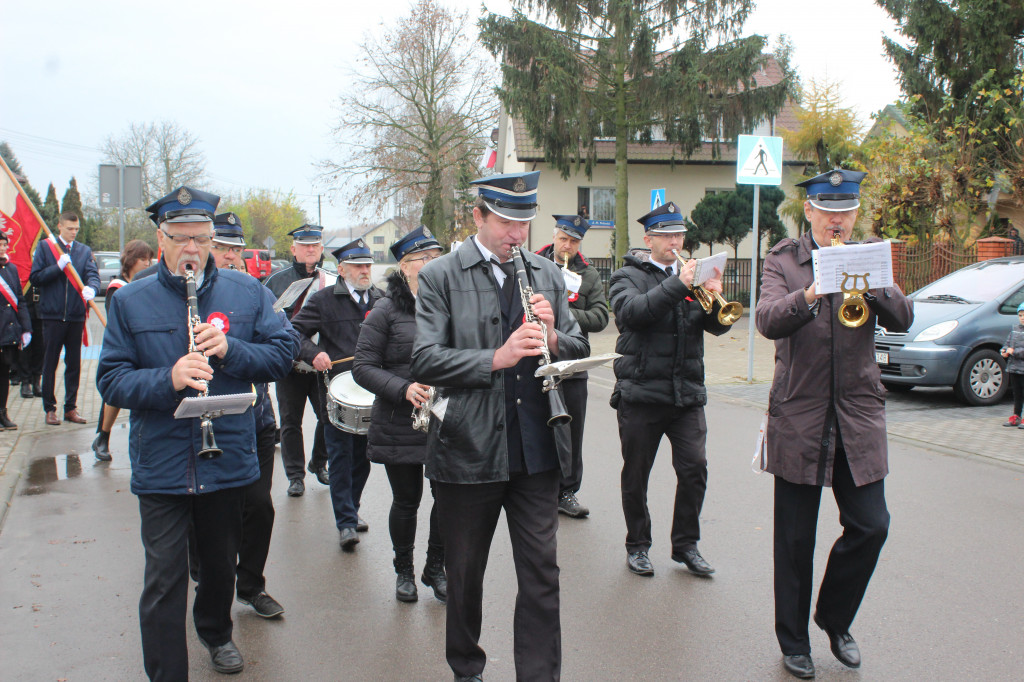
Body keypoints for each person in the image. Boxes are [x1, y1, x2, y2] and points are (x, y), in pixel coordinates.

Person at [97, 187, 294, 680]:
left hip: (225, 456)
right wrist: (169, 378)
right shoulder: (131, 300)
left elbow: (281, 355)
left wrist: (231, 350)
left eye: (201, 239)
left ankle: (216, 632)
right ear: (160, 239)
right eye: (181, 238)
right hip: (162, 463)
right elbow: (111, 380)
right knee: (163, 581)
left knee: (218, 562)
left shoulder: (246, 292)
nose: (192, 249)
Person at [411, 171, 589, 681]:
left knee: (541, 574)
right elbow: (424, 358)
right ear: (479, 217)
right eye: (507, 223)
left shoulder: (547, 273)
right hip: (468, 449)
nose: (517, 235)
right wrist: (496, 357)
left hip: (536, 451)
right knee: (465, 575)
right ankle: (467, 668)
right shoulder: (441, 274)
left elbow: (576, 350)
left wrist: (554, 335)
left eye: (525, 223)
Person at [755, 169, 913, 679]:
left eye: (846, 210)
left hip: (858, 415)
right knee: (795, 540)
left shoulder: (870, 256)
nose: (838, 220)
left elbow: (904, 317)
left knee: (872, 525)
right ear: (810, 212)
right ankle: (794, 642)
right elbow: (766, 319)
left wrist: (873, 288)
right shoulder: (783, 260)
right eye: (829, 210)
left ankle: (834, 618)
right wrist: (812, 293)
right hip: (800, 414)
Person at [609, 200, 729, 579]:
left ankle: (686, 545)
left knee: (695, 468)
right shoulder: (626, 276)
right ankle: (638, 545)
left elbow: (719, 327)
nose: (675, 241)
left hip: (686, 393)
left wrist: (714, 296)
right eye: (666, 235)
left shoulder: (692, 277)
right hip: (641, 393)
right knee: (637, 473)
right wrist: (679, 285)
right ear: (649, 239)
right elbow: (632, 316)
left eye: (679, 234)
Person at [353, 226, 446, 603]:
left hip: (445, 417)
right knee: (407, 501)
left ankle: (435, 568)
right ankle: (403, 570)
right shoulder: (385, 310)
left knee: (448, 500)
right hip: (400, 421)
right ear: (404, 267)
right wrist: (403, 388)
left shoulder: (452, 304)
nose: (430, 265)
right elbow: (363, 366)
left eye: (436, 258)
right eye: (422, 260)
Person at [291, 238, 382, 549]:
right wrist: (313, 353)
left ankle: (352, 510)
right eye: (358, 265)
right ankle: (345, 522)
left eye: (368, 265)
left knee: (363, 458)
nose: (364, 270)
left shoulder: (382, 300)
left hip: (372, 392)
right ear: (342, 269)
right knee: (341, 456)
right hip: (335, 391)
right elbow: (295, 332)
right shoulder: (324, 300)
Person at [535, 214, 609, 518]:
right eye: (563, 239)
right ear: (555, 236)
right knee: (537, 425)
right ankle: (536, 489)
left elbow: (601, 317)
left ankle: (567, 491)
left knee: (572, 429)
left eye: (574, 241)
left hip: (573, 360)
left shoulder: (588, 274)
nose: (567, 246)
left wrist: (564, 313)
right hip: (536, 357)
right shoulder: (535, 263)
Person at [264, 224, 330, 496]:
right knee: (291, 422)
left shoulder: (331, 280)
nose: (310, 249)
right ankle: (295, 476)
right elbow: (267, 322)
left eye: (314, 245)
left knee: (328, 419)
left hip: (321, 364)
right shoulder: (276, 281)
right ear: (294, 249)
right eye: (304, 245)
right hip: (289, 366)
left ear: (322, 248)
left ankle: (319, 462)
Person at [29, 211, 100, 426]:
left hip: (75, 315)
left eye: (76, 229)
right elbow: (36, 278)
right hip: (52, 314)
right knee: (50, 362)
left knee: (74, 364)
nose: (73, 233)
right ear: (59, 227)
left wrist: (93, 288)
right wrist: (57, 267)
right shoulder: (45, 248)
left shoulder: (83, 250)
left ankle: (71, 408)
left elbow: (92, 274)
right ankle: (50, 408)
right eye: (70, 229)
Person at [91, 239, 155, 460]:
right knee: (116, 392)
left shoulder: (148, 284)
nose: (147, 263)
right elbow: (116, 321)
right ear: (131, 260)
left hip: (146, 345)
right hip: (124, 345)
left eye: (149, 259)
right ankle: (103, 436)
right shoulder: (117, 288)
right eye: (142, 259)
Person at [0, 231, 32, 429]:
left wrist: (25, 328)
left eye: (4, 244)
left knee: (4, 374)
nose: (2, 247)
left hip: (8, 331)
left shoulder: (11, 269)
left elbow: (20, 300)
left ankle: (2, 413)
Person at [1000, 303, 1024, 427]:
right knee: (1017, 393)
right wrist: (1004, 351)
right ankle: (1016, 415)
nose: (1022, 318)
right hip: (1014, 368)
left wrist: (1014, 352)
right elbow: (1007, 343)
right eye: (1020, 315)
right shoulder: (1014, 330)